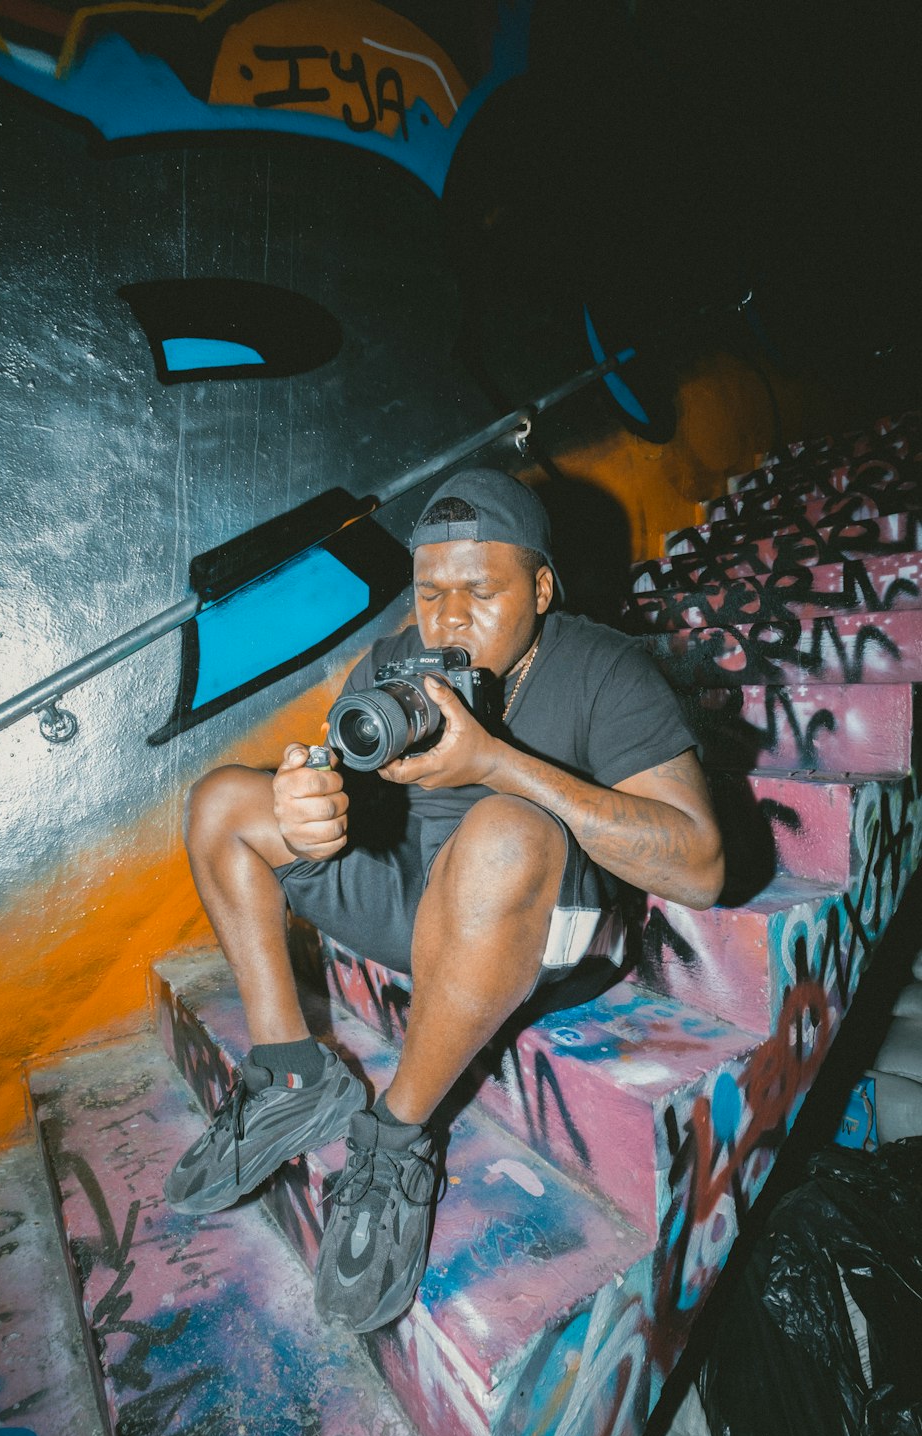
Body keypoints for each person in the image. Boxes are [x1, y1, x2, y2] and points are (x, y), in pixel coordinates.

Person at [165, 467, 724, 1334]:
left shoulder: (603, 668)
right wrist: (313, 811)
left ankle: (396, 1142)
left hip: (535, 931)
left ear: (540, 587)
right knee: (222, 802)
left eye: (481, 590)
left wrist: (500, 764)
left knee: (504, 829)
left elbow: (701, 867)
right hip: (421, 910)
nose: (451, 618)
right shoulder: (393, 662)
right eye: (430, 593)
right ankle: (289, 1076)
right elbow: (346, 800)